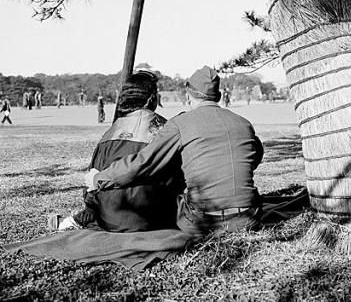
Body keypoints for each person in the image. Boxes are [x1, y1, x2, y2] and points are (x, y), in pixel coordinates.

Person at [85, 66, 263, 236]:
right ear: (219, 95)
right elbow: (255, 155)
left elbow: (142, 163)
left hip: (203, 222)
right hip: (250, 217)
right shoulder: (243, 123)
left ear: (189, 94)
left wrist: (98, 179)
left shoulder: (180, 123)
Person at [49, 71, 184, 232]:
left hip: (109, 218)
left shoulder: (109, 133)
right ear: (152, 98)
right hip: (151, 219)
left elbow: (91, 186)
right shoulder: (165, 129)